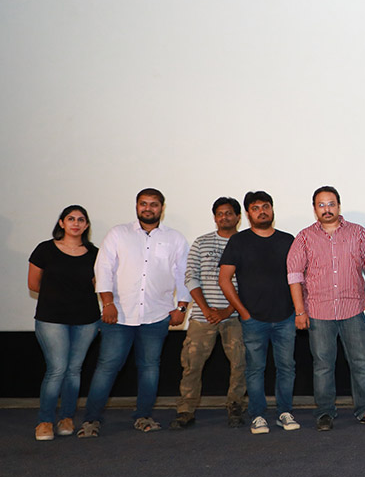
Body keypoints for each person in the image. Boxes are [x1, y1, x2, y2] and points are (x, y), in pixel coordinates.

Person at [79, 189, 189, 437]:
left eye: (154, 204)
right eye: (143, 204)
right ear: (137, 206)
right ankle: (91, 420)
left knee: (150, 369)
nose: (148, 208)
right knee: (107, 368)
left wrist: (182, 307)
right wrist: (107, 303)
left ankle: (143, 416)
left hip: (157, 315)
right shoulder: (118, 233)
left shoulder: (175, 238)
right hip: (118, 315)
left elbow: (183, 274)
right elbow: (103, 268)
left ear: (162, 208)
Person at [287, 186, 365, 432]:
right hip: (319, 313)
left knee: (361, 363)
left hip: (354, 309)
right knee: (323, 366)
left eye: (331, 204)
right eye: (321, 205)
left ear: (339, 206)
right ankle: (325, 412)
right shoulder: (304, 237)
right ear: (314, 209)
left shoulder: (358, 233)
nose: (327, 209)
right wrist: (300, 311)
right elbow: (294, 275)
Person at [219, 191, 299, 434]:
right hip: (253, 319)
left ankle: (284, 412)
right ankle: (258, 415)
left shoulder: (288, 240)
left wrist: (298, 310)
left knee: (287, 368)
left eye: (266, 206)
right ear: (248, 214)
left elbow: (298, 276)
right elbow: (224, 279)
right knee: (255, 369)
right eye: (255, 208)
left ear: (272, 210)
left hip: (286, 317)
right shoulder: (239, 241)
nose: (262, 211)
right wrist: (243, 312)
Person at [171, 197, 248, 430]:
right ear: (215, 217)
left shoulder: (246, 243)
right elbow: (191, 277)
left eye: (229, 213)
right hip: (202, 317)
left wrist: (228, 310)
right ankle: (186, 410)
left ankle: (235, 406)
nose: (224, 217)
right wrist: (206, 309)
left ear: (238, 217)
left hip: (235, 317)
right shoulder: (201, 243)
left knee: (240, 364)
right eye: (220, 213)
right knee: (191, 364)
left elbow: (251, 283)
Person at [28, 205, 100, 440]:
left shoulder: (95, 253)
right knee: (57, 369)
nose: (75, 223)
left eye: (81, 219)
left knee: (73, 370)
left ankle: (67, 417)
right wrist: (59, 297)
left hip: (86, 320)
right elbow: (33, 284)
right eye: (71, 219)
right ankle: (45, 421)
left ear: (86, 225)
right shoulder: (45, 250)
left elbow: (98, 285)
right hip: (52, 319)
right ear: (62, 223)